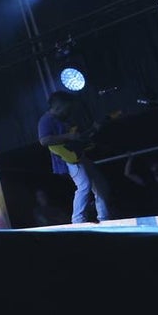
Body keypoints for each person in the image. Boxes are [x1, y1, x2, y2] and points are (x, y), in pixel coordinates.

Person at [37, 90, 114, 223]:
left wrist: (93, 130)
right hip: (68, 159)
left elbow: (78, 138)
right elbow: (44, 140)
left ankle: (104, 217)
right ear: (57, 106)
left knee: (100, 185)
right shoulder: (46, 120)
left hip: (78, 155)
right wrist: (68, 136)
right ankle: (78, 220)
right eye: (67, 108)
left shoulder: (64, 120)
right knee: (84, 185)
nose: (68, 111)